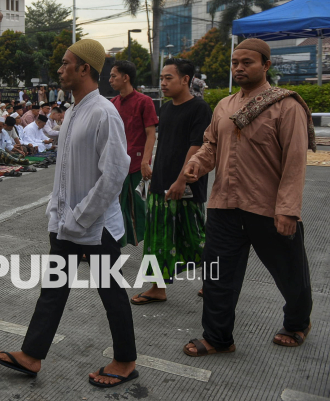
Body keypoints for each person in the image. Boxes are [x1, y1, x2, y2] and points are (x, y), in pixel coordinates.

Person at [0, 39, 137, 387]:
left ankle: (126, 361)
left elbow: (114, 174)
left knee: (111, 292)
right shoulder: (72, 112)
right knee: (53, 289)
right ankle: (32, 355)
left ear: (84, 69)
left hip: (96, 225)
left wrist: (82, 216)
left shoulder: (103, 113)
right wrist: (58, 213)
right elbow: (66, 171)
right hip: (68, 222)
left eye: (66, 63)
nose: (59, 69)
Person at [181, 38, 314, 356]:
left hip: (268, 208)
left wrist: (288, 209)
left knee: (290, 273)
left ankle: (297, 322)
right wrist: (197, 163)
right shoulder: (224, 106)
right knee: (217, 276)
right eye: (235, 63)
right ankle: (217, 338)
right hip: (224, 205)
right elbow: (211, 145)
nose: (239, 68)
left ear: (266, 65)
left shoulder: (287, 106)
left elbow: (295, 161)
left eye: (247, 62)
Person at [131, 57, 211, 304]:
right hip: (160, 183)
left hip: (186, 186)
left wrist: (181, 181)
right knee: (157, 239)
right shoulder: (165, 109)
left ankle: (215, 282)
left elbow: (196, 147)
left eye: (169, 78)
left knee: (196, 239)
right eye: (162, 78)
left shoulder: (199, 108)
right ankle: (157, 288)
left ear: (185, 79)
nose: (163, 83)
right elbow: (165, 145)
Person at [109, 60, 158, 248]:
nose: (110, 80)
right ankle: (115, 244)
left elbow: (151, 134)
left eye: (114, 76)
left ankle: (151, 244)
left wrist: (146, 161)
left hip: (138, 166)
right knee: (115, 207)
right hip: (116, 166)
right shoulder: (112, 103)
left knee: (140, 207)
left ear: (126, 77)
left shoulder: (144, 101)